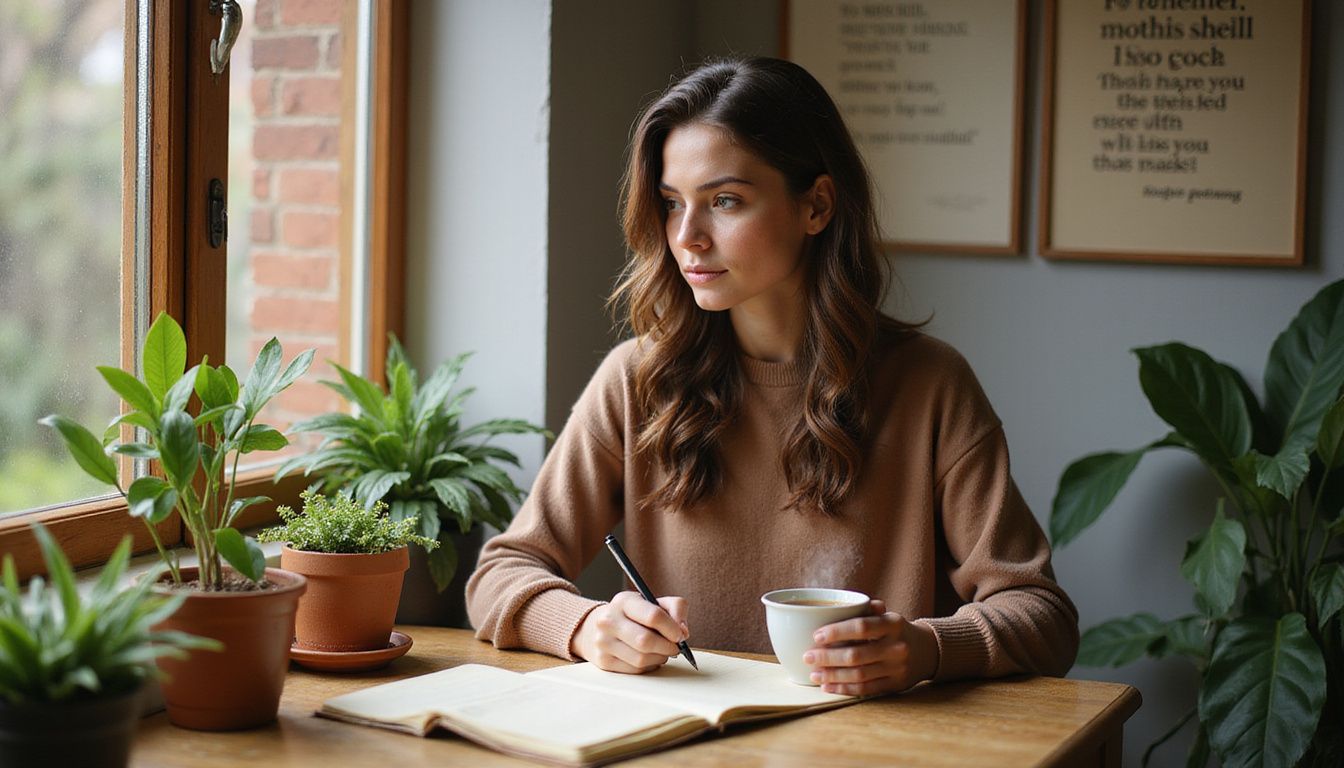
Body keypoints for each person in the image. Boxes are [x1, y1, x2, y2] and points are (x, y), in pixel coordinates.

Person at [465, 56, 1078, 696]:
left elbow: (1043, 615)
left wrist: (925, 648)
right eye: (673, 204)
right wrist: (588, 626)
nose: (688, 238)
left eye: (725, 201)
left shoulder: (931, 386)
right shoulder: (636, 381)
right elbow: (500, 574)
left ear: (815, 206)